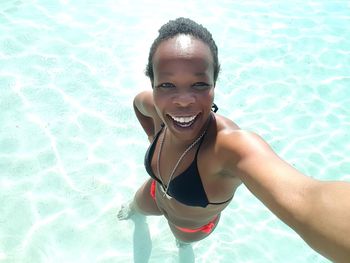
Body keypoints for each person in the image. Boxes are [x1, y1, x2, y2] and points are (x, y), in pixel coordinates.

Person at [118, 17, 350, 262]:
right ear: (153, 85)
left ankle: (183, 249)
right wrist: (153, 136)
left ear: (213, 85)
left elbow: (308, 200)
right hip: (154, 193)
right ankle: (134, 214)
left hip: (189, 227)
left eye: (199, 84)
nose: (183, 100)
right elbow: (138, 104)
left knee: (183, 246)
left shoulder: (228, 147)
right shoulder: (155, 109)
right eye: (166, 84)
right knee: (135, 209)